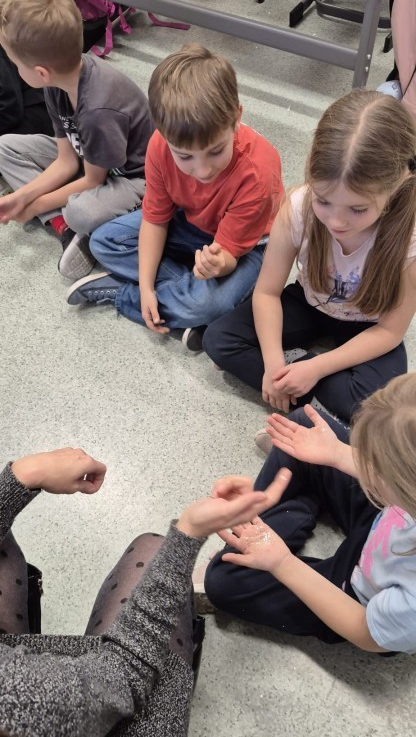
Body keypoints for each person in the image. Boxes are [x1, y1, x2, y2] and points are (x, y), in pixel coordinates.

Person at [0, 444, 286, 737]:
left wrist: (24, 475)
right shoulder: (23, 708)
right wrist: (188, 534)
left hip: (29, 722)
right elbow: (122, 671)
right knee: (153, 554)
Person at [202, 90, 416, 425]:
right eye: (324, 201)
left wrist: (315, 367)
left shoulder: (410, 236)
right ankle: (312, 397)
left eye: (358, 209)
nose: (336, 221)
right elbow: (267, 292)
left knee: (383, 410)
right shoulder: (299, 207)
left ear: (398, 183)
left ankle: (301, 381)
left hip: (369, 325)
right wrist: (273, 364)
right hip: (308, 303)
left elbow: (390, 331)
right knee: (219, 339)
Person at [66, 43, 284, 352]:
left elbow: (228, 257)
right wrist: (146, 288)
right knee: (103, 242)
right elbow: (155, 220)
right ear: (163, 134)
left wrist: (216, 266)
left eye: (216, 151)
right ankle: (182, 299)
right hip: (193, 225)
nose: (203, 170)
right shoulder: (159, 146)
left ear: (237, 118)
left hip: (250, 247)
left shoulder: (258, 172)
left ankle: (124, 294)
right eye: (185, 156)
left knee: (207, 304)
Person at [204, 373, 416, 654]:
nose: (366, 468)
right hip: (383, 519)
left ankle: (291, 508)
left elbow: (366, 634)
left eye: (376, 467)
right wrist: (336, 453)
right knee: (302, 426)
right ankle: (294, 502)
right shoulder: (399, 493)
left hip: (357, 596)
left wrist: (282, 563)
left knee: (223, 581)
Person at [0, 0, 154, 281]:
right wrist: (22, 198)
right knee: (4, 147)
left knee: (79, 212)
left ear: (41, 72)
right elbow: (67, 161)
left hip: (135, 178)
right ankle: (65, 229)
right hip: (91, 161)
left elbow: (94, 179)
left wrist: (34, 204)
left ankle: (67, 222)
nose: (17, 71)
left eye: (16, 65)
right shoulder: (55, 84)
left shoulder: (97, 109)